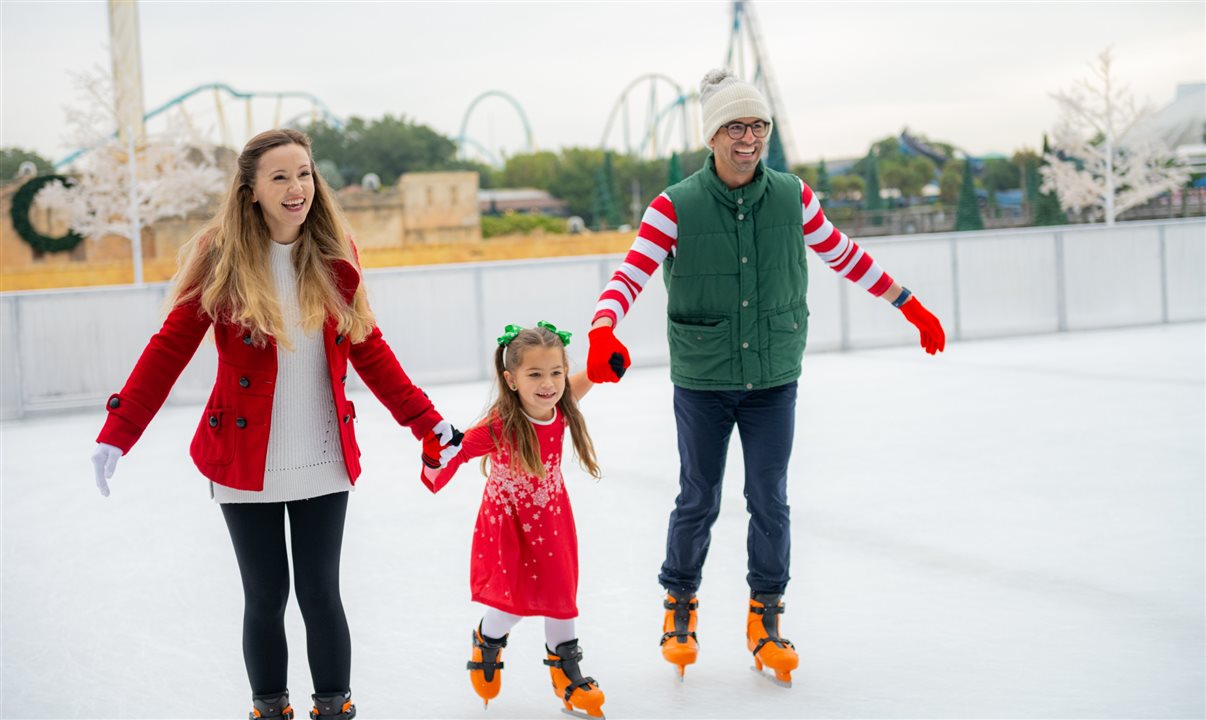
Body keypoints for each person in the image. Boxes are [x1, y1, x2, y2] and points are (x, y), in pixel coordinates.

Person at [585, 69, 946, 687]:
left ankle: (766, 619)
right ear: (712, 136)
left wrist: (906, 302)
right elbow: (630, 274)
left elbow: (843, 253)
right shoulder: (673, 206)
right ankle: (679, 606)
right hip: (703, 378)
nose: (749, 138)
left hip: (774, 376)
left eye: (758, 126)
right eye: (735, 127)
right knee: (699, 496)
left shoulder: (793, 197)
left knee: (769, 499)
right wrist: (602, 329)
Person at [88, 128, 463, 720]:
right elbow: (170, 347)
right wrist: (119, 430)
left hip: (322, 455)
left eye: (305, 174)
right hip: (244, 459)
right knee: (265, 596)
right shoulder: (221, 256)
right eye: (280, 176)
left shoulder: (335, 252)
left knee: (321, 593)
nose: (297, 188)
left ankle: (334, 708)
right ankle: (269, 708)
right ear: (252, 190)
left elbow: (367, 345)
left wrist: (425, 420)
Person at [421, 322, 607, 719]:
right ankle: (487, 640)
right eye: (535, 374)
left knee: (561, 595)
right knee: (514, 603)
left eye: (555, 372)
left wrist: (598, 367)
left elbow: (579, 385)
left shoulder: (561, 407)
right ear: (511, 380)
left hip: (551, 520)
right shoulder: (501, 425)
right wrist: (437, 452)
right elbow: (457, 452)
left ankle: (567, 673)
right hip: (511, 526)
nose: (548, 384)